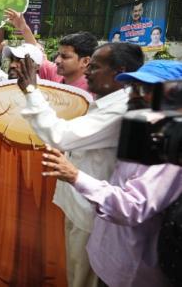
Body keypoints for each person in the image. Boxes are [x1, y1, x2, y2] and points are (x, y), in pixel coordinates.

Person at [41, 60, 182, 287]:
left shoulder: (170, 153)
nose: (134, 96)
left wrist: (76, 176)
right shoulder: (142, 130)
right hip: (108, 258)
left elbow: (131, 207)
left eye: (144, 90)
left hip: (132, 272)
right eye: (132, 88)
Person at [15, 42, 145, 287]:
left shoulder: (121, 109)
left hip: (92, 214)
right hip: (81, 208)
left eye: (94, 67)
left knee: (83, 279)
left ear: (120, 71)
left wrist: (32, 91)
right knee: (76, 273)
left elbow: (60, 135)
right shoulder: (108, 102)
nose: (87, 72)